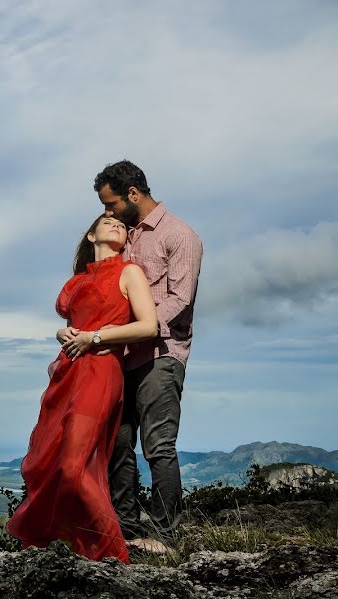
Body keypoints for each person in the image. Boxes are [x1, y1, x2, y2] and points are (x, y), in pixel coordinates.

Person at [6, 214, 158, 563]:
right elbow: (72, 324)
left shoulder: (129, 271)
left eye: (121, 222)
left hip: (102, 371)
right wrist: (65, 333)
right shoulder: (74, 283)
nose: (116, 223)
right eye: (107, 221)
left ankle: (114, 557)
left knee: (75, 467)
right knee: (47, 463)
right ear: (91, 234)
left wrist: (96, 337)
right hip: (68, 372)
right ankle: (61, 549)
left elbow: (149, 326)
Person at [95, 160, 203, 554]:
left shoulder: (179, 235)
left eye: (111, 204)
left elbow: (181, 301)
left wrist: (138, 328)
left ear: (133, 195)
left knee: (158, 445)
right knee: (118, 444)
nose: (108, 212)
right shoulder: (128, 237)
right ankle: (124, 528)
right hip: (121, 359)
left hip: (161, 354)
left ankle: (165, 537)